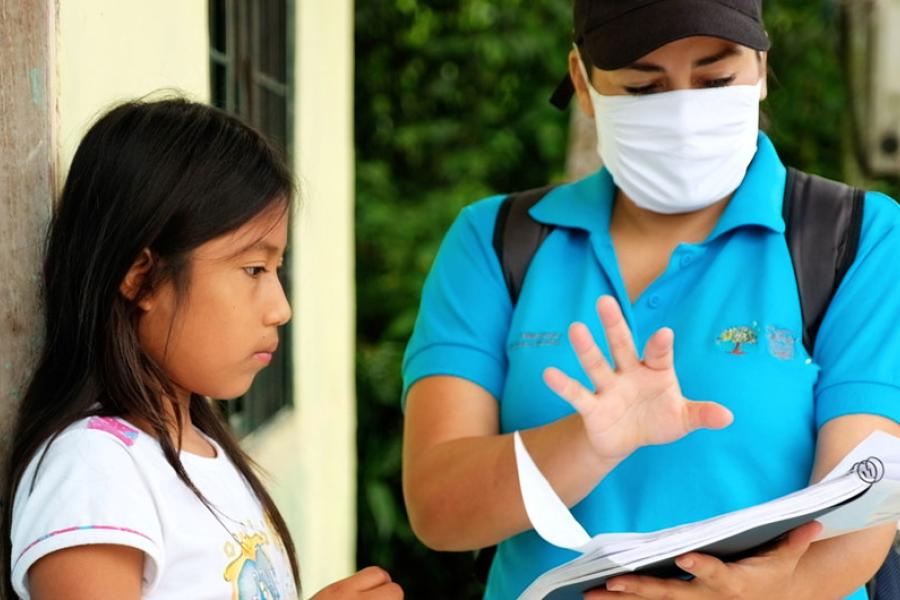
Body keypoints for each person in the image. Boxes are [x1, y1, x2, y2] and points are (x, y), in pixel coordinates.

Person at [400, 1, 900, 598]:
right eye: (643, 88)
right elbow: (439, 508)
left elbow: (865, 497)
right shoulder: (495, 241)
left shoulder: (858, 238)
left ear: (761, 68)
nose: (685, 114)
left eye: (715, 80)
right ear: (583, 84)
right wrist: (586, 442)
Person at [2, 99, 403, 600]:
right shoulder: (94, 469)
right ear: (140, 277)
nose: (280, 308)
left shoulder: (205, 453)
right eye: (253, 269)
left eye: (277, 270)